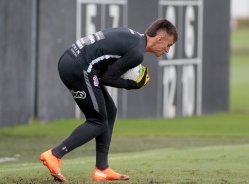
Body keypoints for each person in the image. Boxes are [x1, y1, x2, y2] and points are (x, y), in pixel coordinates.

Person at [40, 18, 178, 182]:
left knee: (110, 111)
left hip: (71, 60)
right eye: (169, 45)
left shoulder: (132, 35)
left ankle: (102, 169)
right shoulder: (137, 53)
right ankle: (54, 154)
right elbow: (107, 78)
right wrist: (132, 84)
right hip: (78, 67)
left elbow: (103, 58)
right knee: (97, 121)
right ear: (159, 38)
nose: (168, 51)